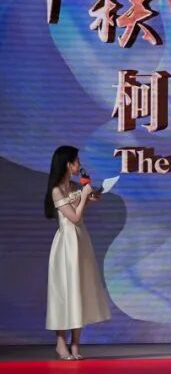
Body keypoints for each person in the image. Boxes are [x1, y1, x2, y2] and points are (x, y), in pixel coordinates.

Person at [44, 146, 111, 360]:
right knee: (65, 291)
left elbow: (80, 214)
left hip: (81, 241)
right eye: (76, 161)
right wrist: (83, 197)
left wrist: (89, 198)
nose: (79, 165)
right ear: (68, 164)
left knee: (79, 289)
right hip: (66, 244)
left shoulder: (72, 186)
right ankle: (60, 343)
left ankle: (75, 345)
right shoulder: (57, 190)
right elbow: (74, 218)